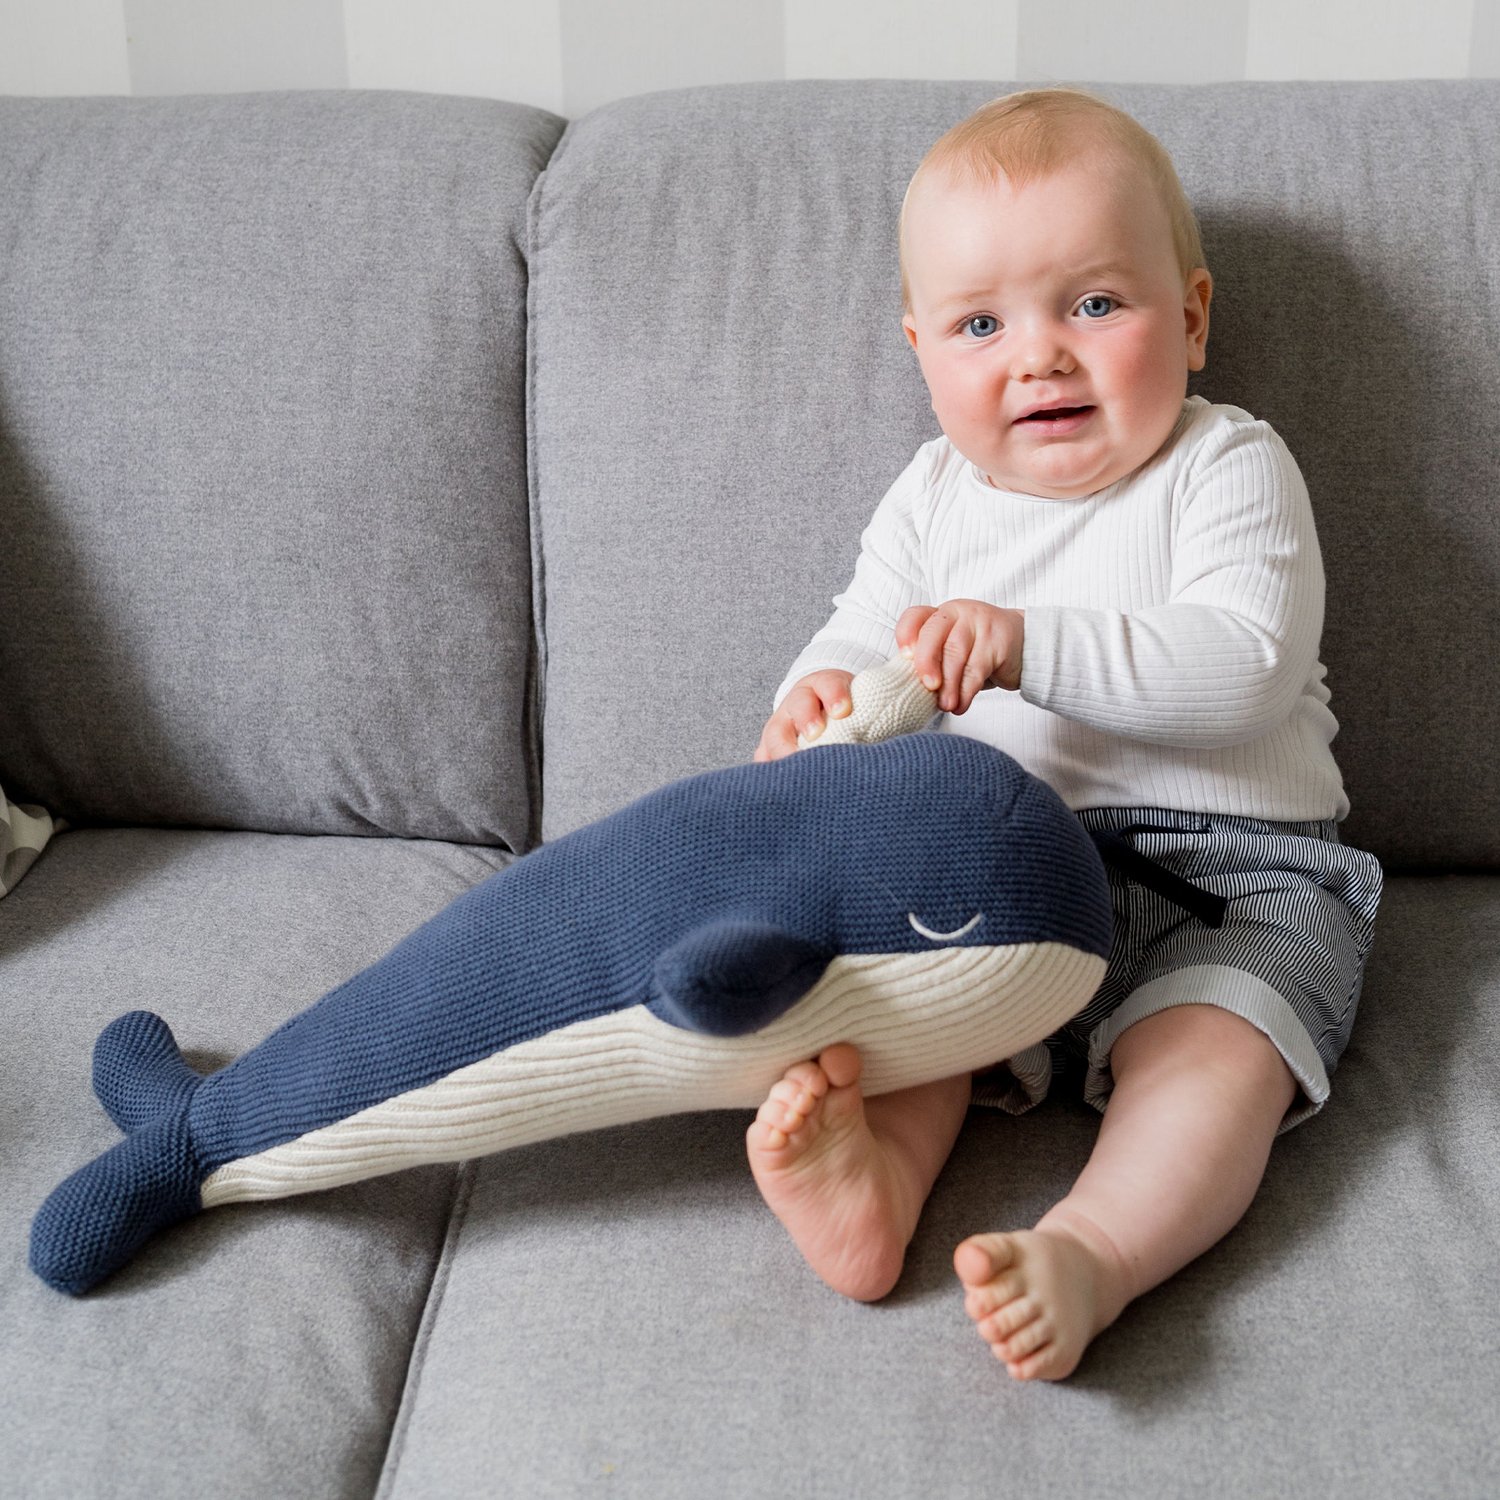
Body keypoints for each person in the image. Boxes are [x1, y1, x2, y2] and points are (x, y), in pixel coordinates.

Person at [746, 86, 1383, 1383]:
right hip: (1006, 876)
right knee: (918, 1024)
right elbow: (860, 633)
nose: (1039, 354)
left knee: (1214, 1057)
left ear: (1193, 317)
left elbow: (1244, 669)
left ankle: (1093, 1250)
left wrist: (1030, 642)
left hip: (1234, 877)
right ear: (921, 348)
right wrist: (811, 701)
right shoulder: (932, 498)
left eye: (1094, 304)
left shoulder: (1227, 466)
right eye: (982, 323)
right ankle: (875, 1184)